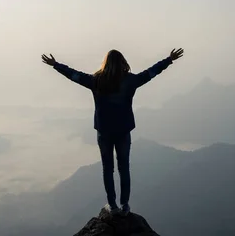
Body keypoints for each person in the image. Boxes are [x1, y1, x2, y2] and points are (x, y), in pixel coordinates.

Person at [41, 48, 184, 216]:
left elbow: (74, 75)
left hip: (104, 131)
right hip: (123, 130)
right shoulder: (130, 81)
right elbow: (150, 73)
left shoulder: (97, 80)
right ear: (123, 62)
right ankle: (124, 205)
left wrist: (56, 65)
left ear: (106, 63)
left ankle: (112, 205)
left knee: (107, 169)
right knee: (124, 168)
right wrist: (168, 60)